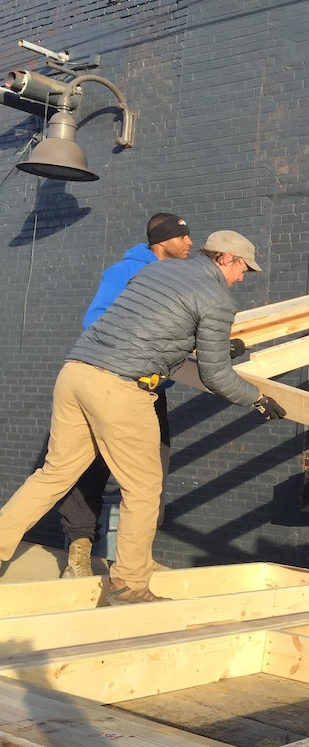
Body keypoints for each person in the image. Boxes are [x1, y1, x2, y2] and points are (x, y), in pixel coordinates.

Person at [0, 231, 285, 605]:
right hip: (119, 390)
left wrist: (205, 341)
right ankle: (130, 585)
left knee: (54, 474)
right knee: (144, 488)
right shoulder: (217, 298)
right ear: (226, 259)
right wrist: (257, 399)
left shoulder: (155, 273)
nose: (243, 277)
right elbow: (216, 376)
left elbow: (147, 327)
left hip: (75, 372)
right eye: (244, 269)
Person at [58, 213, 194, 579]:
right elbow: (96, 320)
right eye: (181, 237)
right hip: (114, 385)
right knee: (92, 468)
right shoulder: (125, 272)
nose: (189, 243)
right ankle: (79, 552)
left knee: (153, 475)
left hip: (152, 390)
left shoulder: (179, 278)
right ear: (160, 240)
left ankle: (135, 562)